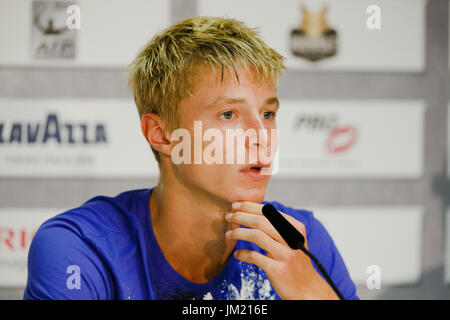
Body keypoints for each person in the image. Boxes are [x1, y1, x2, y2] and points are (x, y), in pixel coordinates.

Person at [23, 16, 358, 300]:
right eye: (229, 114)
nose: (262, 135)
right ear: (161, 133)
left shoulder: (301, 242)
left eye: (268, 113)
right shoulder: (81, 248)